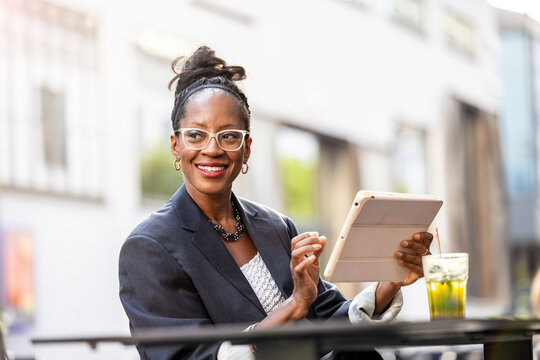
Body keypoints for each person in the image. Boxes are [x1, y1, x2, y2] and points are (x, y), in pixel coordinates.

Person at [118, 46, 433, 360]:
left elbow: (325, 322)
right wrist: (293, 306)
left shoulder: (275, 227)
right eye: (196, 135)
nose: (212, 149)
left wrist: (388, 285)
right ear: (176, 146)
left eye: (228, 136)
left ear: (246, 149)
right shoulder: (149, 247)